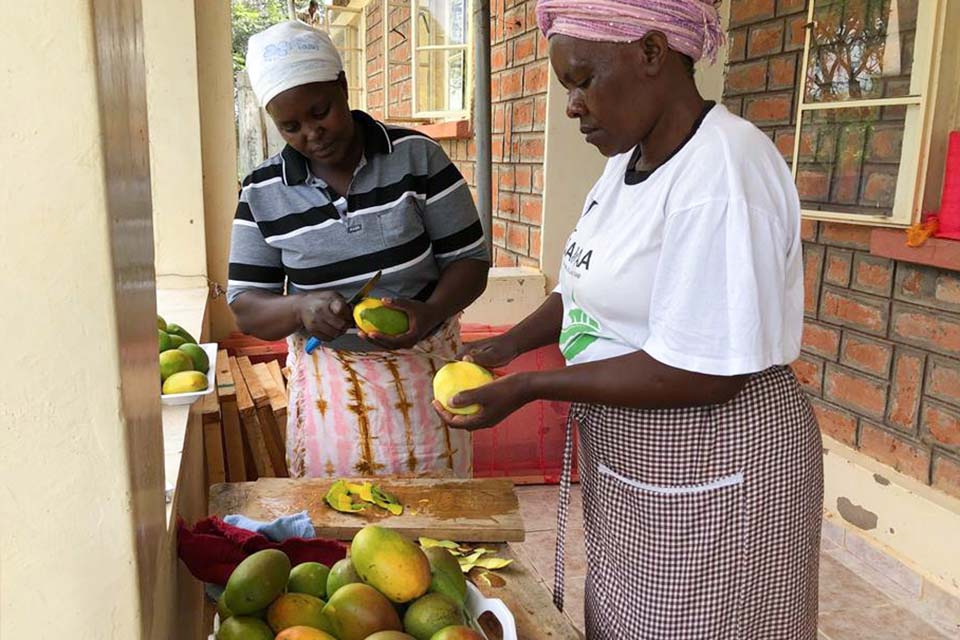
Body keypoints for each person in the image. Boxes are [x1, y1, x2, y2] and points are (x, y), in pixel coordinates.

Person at [434, 1, 822, 638]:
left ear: (650, 53)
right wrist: (505, 348)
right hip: (638, 463)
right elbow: (583, 289)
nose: (572, 107)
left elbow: (703, 374)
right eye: (567, 88)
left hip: (718, 463)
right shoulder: (626, 164)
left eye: (583, 81)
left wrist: (531, 386)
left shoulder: (721, 174)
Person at [230, 21, 489, 479]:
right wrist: (301, 307)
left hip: (424, 374)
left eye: (321, 111)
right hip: (333, 393)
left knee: (436, 524)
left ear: (343, 86)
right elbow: (247, 307)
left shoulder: (417, 157)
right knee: (341, 527)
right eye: (290, 126)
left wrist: (430, 312)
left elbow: (469, 261)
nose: (312, 133)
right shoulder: (261, 192)